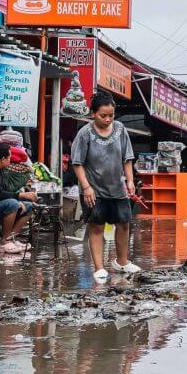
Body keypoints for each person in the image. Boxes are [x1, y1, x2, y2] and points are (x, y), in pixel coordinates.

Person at [71, 91, 138, 283]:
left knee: (124, 223)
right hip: (94, 189)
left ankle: (122, 261)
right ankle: (99, 267)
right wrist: (86, 187)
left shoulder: (120, 129)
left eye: (111, 115)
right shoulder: (85, 134)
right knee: (97, 226)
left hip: (118, 187)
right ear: (93, 114)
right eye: (103, 115)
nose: (108, 119)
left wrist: (130, 180)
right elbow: (77, 163)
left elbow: (127, 158)